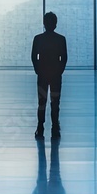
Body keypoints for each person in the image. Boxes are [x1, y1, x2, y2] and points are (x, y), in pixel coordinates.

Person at [31, 11, 67, 139]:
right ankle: (55, 127)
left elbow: (34, 56)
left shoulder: (38, 39)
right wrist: (59, 71)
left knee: (42, 101)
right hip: (55, 75)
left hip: (43, 74)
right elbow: (64, 58)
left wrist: (38, 70)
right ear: (55, 24)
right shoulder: (61, 39)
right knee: (55, 101)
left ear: (44, 23)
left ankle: (40, 126)